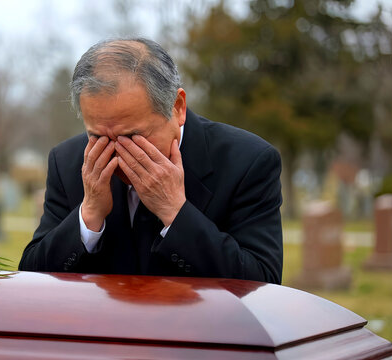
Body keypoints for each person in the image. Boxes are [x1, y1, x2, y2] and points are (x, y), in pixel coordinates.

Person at [19, 37, 283, 284]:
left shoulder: (248, 162)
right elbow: (32, 280)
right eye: (98, 136)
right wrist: (88, 216)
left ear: (177, 107)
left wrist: (175, 213)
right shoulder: (67, 162)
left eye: (132, 136)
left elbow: (262, 283)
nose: (116, 152)